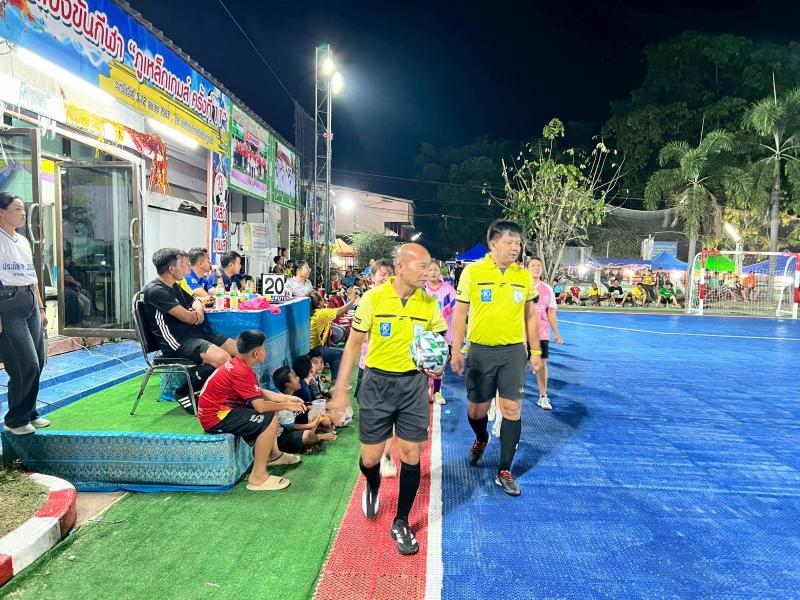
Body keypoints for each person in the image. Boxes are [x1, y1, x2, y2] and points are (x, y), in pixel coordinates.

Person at [328, 243, 447, 555]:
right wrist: (340, 390)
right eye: (422, 266)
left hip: (413, 385)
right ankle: (373, 484)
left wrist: (439, 364)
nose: (428, 272)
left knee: (411, 454)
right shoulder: (374, 298)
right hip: (376, 383)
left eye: (429, 266)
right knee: (370, 459)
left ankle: (401, 521)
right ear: (401, 267)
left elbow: (438, 342)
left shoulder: (429, 303)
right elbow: (353, 344)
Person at [450, 219, 542, 497]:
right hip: (480, 351)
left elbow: (530, 315)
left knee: (512, 409)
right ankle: (481, 438)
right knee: (477, 410)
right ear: (493, 244)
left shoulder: (523, 276)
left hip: (513, 352)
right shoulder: (473, 272)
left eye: (518, 243)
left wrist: (536, 351)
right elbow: (460, 313)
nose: (515, 248)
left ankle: (504, 470)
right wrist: (456, 349)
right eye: (509, 242)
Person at [197, 330, 306, 491]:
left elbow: (256, 392)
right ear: (256, 353)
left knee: (271, 412)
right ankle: (257, 477)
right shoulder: (241, 370)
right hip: (215, 418)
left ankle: (274, 456)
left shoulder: (240, 364)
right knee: (269, 418)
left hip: (223, 411)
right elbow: (261, 406)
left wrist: (285, 398)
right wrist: (286, 406)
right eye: (264, 348)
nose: (265, 351)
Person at [142, 248, 239, 404]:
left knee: (240, 350)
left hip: (194, 334)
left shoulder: (174, 286)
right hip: (176, 342)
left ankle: (221, 393)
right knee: (223, 359)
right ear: (172, 268)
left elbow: (195, 301)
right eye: (182, 263)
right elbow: (187, 317)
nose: (187, 267)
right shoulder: (155, 291)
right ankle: (183, 392)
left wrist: (198, 310)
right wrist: (196, 313)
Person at [0, 192, 50, 435]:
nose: (23, 214)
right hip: (7, 303)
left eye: (23, 209)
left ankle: (29, 411)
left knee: (39, 360)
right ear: (2, 212)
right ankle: (15, 421)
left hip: (29, 300)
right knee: (24, 364)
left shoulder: (22, 241)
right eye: (17, 209)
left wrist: (41, 308)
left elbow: (32, 277)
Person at [273, 365, 336, 454]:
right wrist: (313, 424)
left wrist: (317, 414)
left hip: (295, 427)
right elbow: (291, 428)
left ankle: (311, 440)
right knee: (308, 436)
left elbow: (305, 409)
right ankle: (318, 437)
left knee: (321, 416)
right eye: (295, 377)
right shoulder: (283, 402)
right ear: (288, 384)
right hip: (283, 436)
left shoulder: (294, 394)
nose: (298, 378)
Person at [527, 258, 564, 411]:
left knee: (542, 365)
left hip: (541, 334)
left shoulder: (547, 289)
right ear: (527, 268)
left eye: (539, 266)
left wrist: (556, 333)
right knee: (516, 366)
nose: (536, 268)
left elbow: (551, 313)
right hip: (521, 335)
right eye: (533, 265)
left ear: (542, 270)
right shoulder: (521, 287)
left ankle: (543, 396)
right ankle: (514, 393)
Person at [425, 259, 456, 405]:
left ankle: (437, 392)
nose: (433, 273)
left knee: (439, 365)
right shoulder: (421, 289)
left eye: (435, 270)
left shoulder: (449, 290)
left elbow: (456, 311)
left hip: (444, 335)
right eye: (430, 270)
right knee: (422, 364)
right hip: (424, 335)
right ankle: (423, 392)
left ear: (440, 271)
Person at [310, 289, 358, 382]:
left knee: (334, 348)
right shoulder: (321, 313)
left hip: (311, 348)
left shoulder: (310, 312)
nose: (324, 300)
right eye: (322, 299)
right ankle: (335, 382)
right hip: (314, 350)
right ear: (319, 303)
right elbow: (341, 310)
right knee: (338, 353)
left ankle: (331, 378)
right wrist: (352, 300)